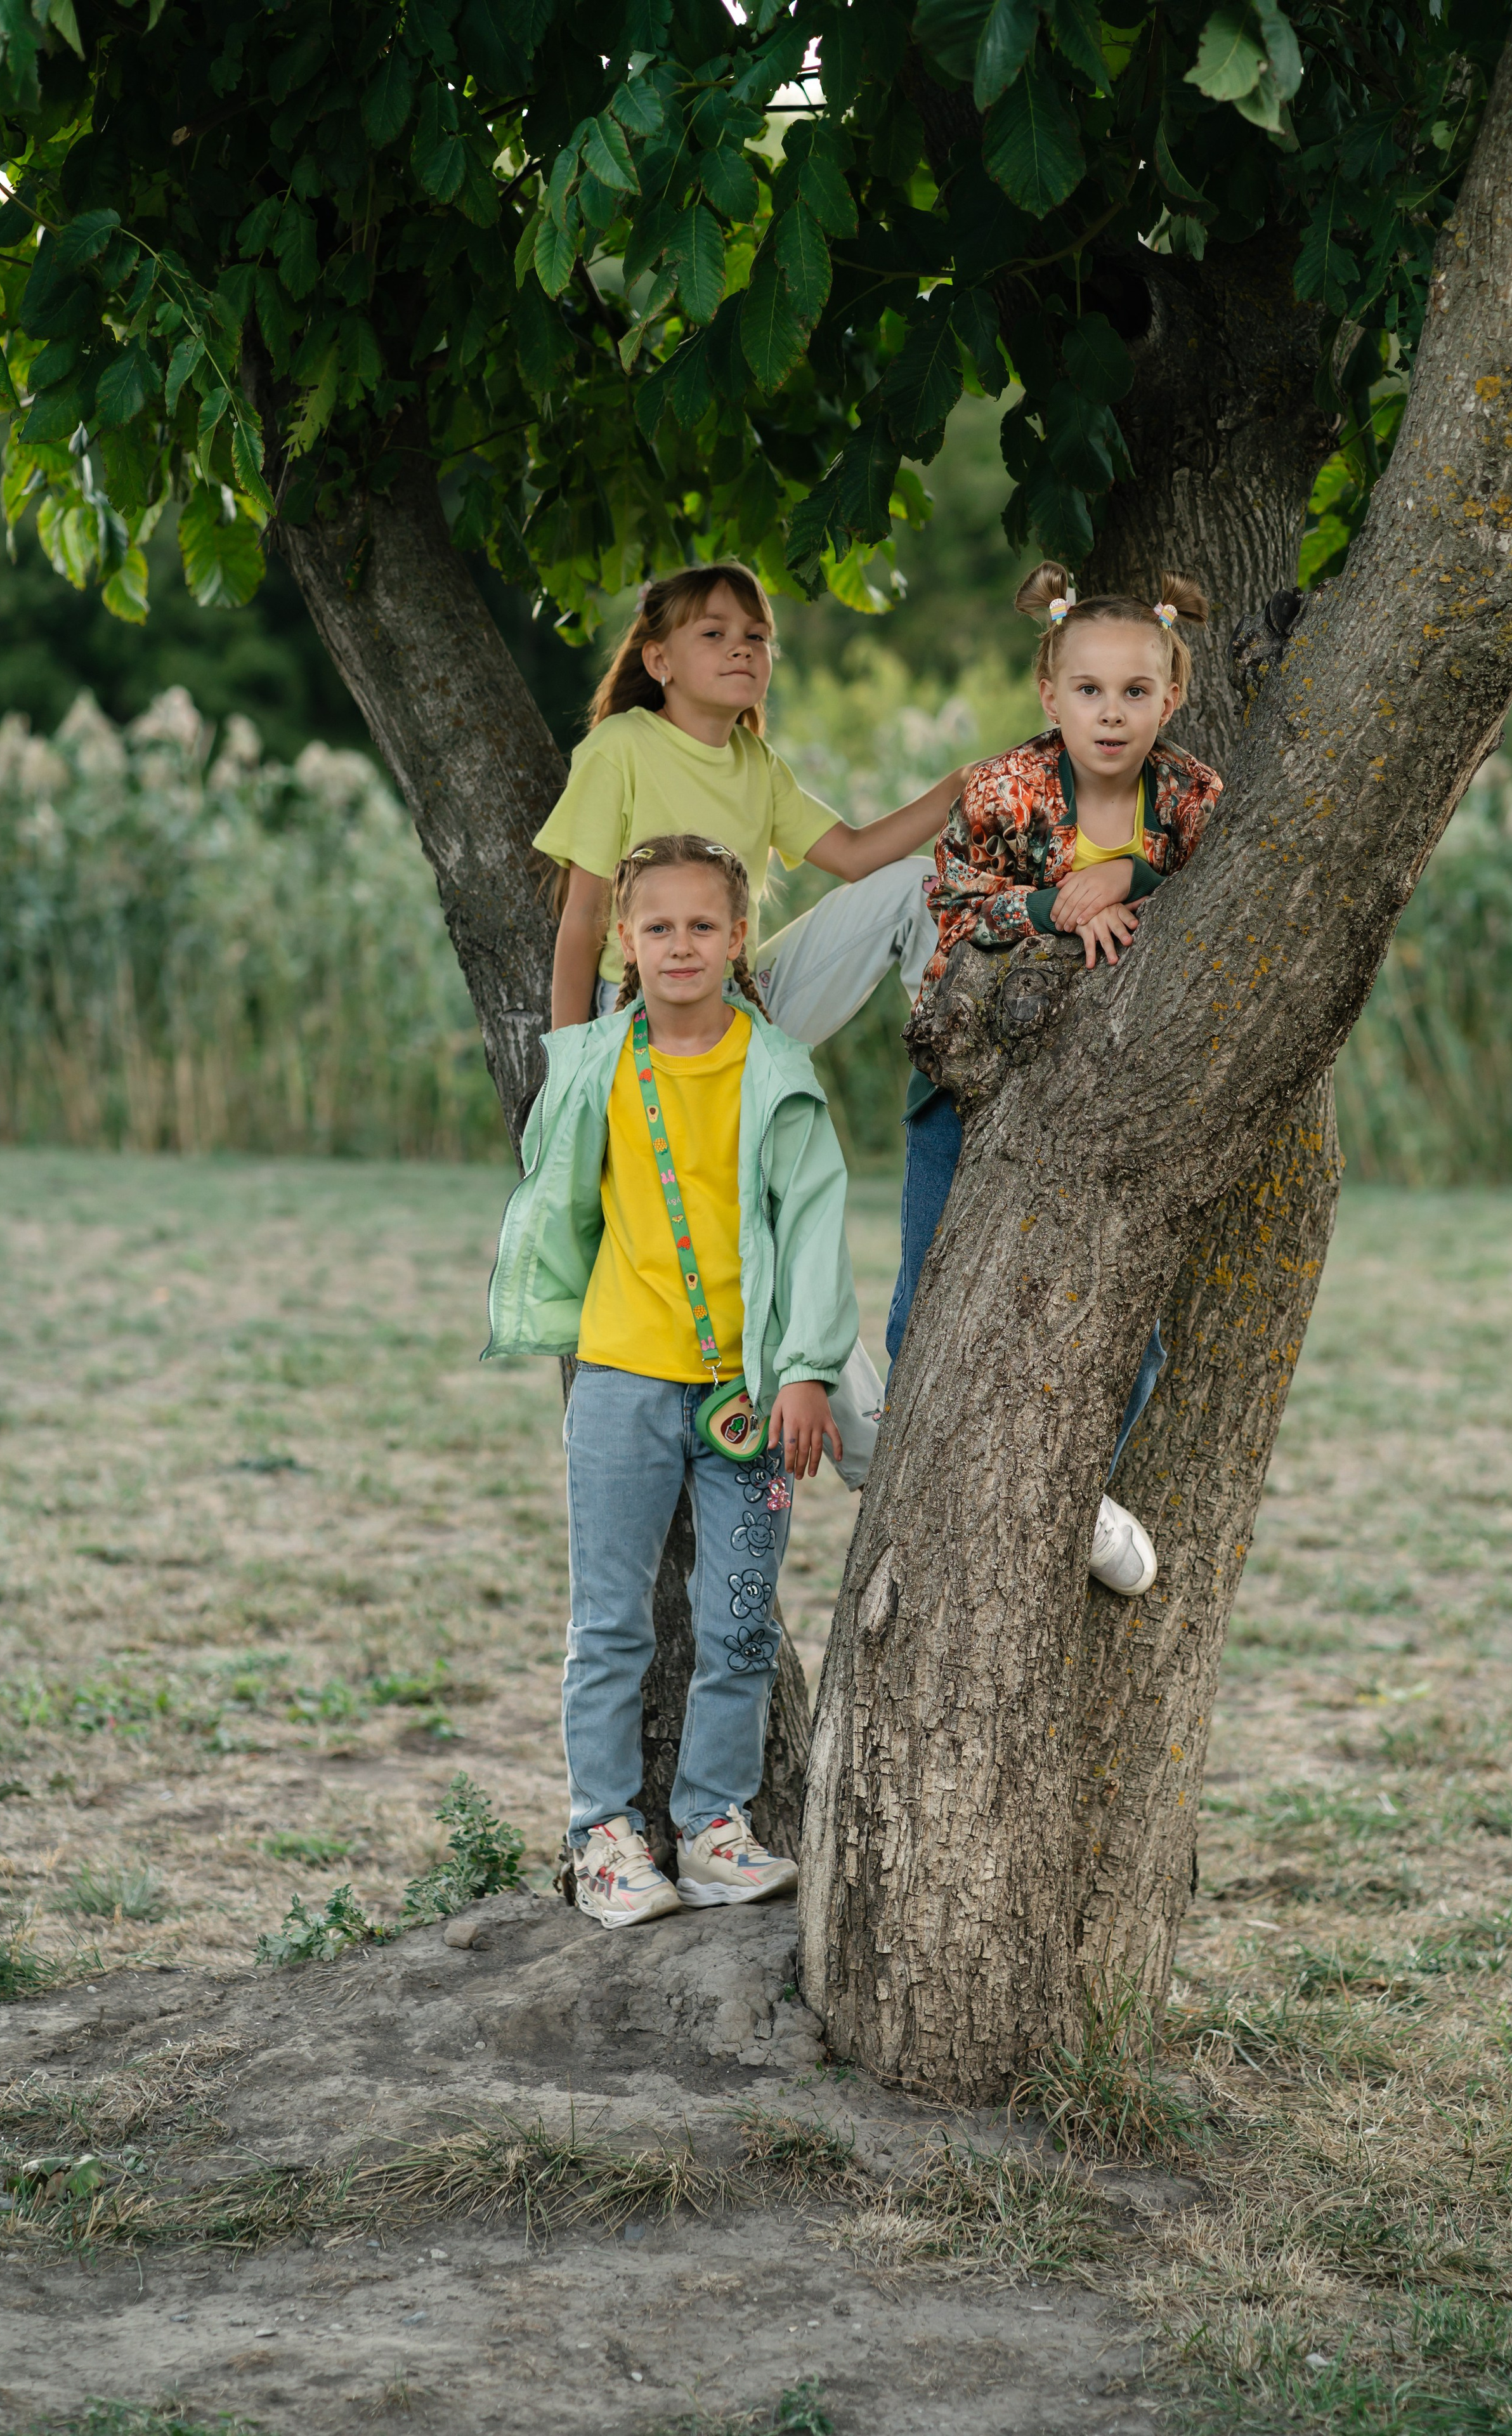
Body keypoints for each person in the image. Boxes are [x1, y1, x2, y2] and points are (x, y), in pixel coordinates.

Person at [485, 833, 858, 1929]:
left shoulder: (777, 1073)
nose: (681, 944)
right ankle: (603, 1836)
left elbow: (816, 1227)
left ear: (739, 939)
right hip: (620, 1382)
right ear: (626, 940)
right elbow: (562, 1195)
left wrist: (807, 1371)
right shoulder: (593, 1062)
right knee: (611, 1625)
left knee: (738, 1625)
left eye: (703, 925)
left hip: (753, 1398)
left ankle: (710, 1829)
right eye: (659, 926)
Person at [886, 564, 1225, 1597]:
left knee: (1132, 1335)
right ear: (1050, 693)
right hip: (978, 1085)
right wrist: (1051, 907)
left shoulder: (1192, 799)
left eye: (1135, 691)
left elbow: (1232, 896)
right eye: (1088, 690)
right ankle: (913, 1490)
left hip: (1115, 1104)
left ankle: (1072, 1503)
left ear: (1171, 697)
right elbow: (951, 899)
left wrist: (1134, 875)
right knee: (923, 1303)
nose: (1111, 713)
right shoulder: (1002, 789)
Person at [537, 561, 962, 1044]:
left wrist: (959, 786)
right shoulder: (620, 747)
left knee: (917, 886)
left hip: (742, 1000)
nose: (741, 647)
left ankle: (952, 1068)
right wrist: (569, 1064)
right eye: (713, 633)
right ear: (659, 662)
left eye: (756, 637)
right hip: (645, 1010)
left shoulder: (757, 761)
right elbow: (583, 917)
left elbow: (853, 854)